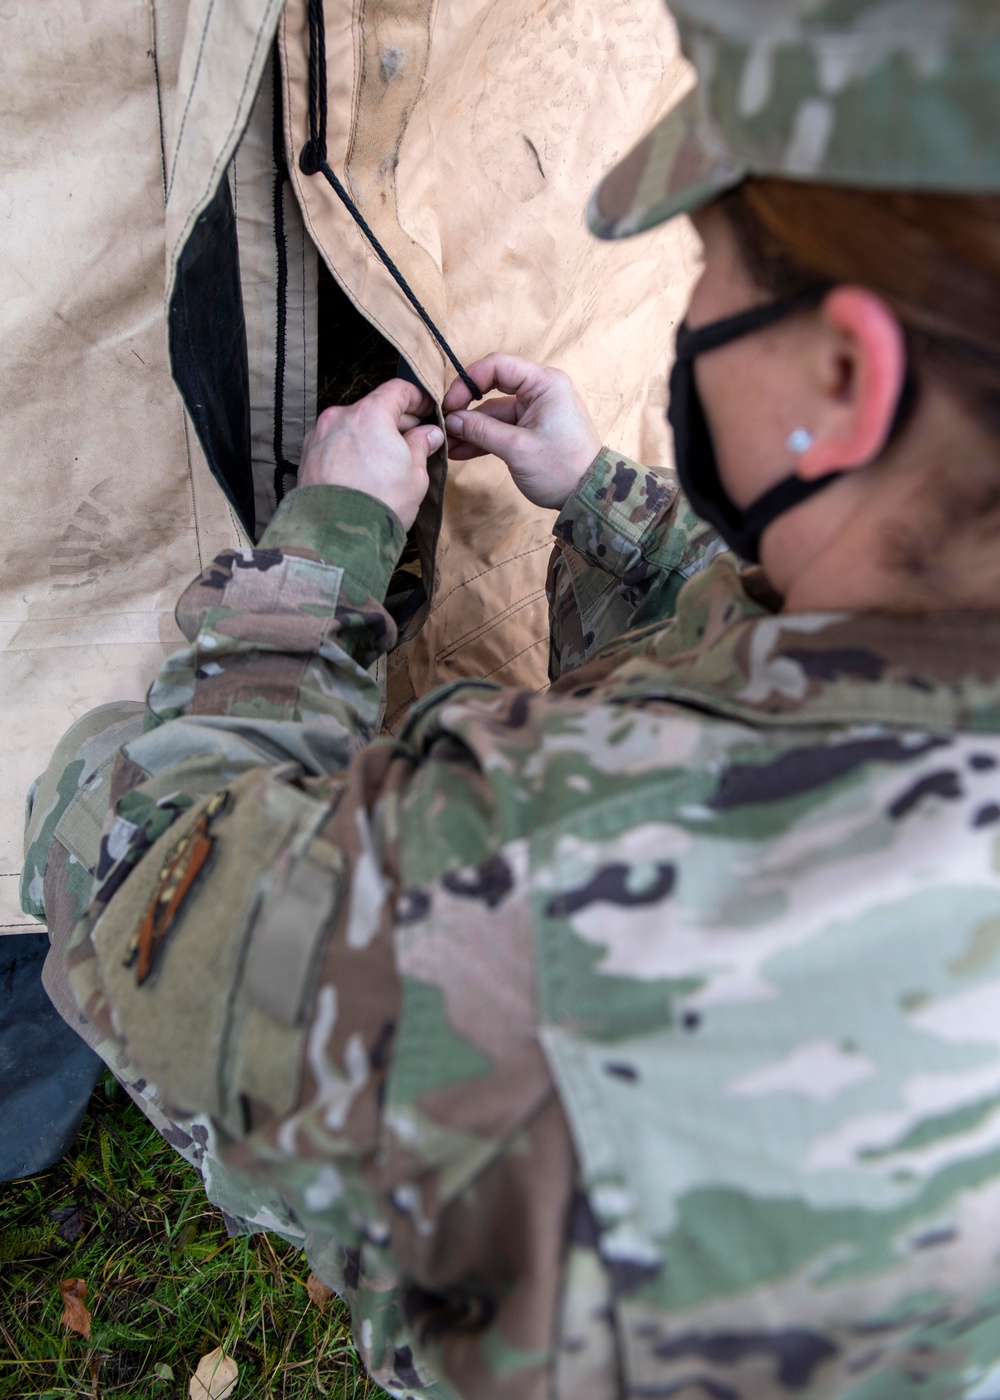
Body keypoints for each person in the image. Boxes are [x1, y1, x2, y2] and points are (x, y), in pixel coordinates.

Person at [22, 1, 1000, 1395]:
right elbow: (827, 646)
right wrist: (602, 499)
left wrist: (323, 547)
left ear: (841, 380)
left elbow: (135, 875)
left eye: (708, 272)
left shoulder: (551, 891)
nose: (693, 313)